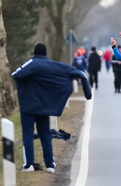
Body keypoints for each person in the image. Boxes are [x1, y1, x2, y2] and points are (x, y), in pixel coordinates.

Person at [11, 43, 91, 173]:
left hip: (28, 106)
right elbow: (79, 73)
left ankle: (28, 165)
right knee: (45, 133)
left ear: (35, 53)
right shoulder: (54, 65)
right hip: (44, 106)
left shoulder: (32, 63)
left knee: (28, 133)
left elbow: (16, 74)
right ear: (45, 53)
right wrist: (88, 93)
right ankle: (49, 165)